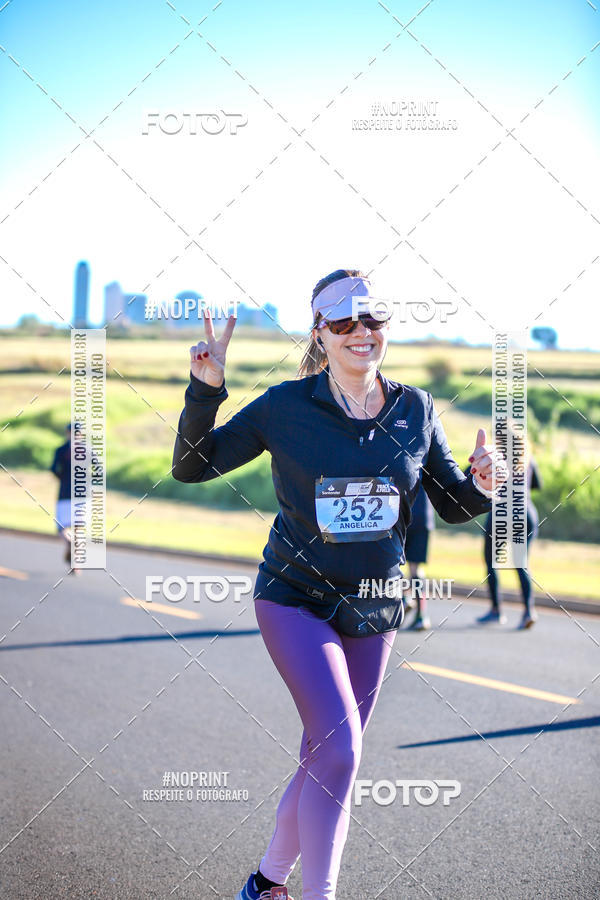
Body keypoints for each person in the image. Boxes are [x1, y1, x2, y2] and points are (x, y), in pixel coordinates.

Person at [171, 269, 506, 900]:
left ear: (386, 326)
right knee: (342, 752)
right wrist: (204, 389)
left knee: (324, 756)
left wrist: (485, 485)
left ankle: (265, 884)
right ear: (320, 332)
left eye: (372, 318)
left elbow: (452, 503)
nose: (361, 331)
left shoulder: (415, 408)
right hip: (294, 597)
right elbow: (192, 467)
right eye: (344, 321)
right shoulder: (285, 406)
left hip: (375, 604)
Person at [467, 440, 542, 629]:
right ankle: (529, 611)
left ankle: (496, 610)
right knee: (521, 563)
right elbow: (536, 485)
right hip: (526, 512)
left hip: (501, 513)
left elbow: (467, 474)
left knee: (491, 562)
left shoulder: (494, 458)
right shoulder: (528, 458)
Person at [402, 483, 435, 630]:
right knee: (416, 568)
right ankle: (421, 616)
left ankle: (404, 598)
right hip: (424, 517)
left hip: (404, 517)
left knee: (394, 564)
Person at [50, 423, 79, 575]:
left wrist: (63, 479)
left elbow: (54, 469)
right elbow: (99, 471)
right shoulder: (88, 450)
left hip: (65, 494)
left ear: (67, 433)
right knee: (78, 527)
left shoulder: (61, 450)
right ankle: (76, 564)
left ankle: (69, 541)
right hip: (82, 494)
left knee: (62, 527)